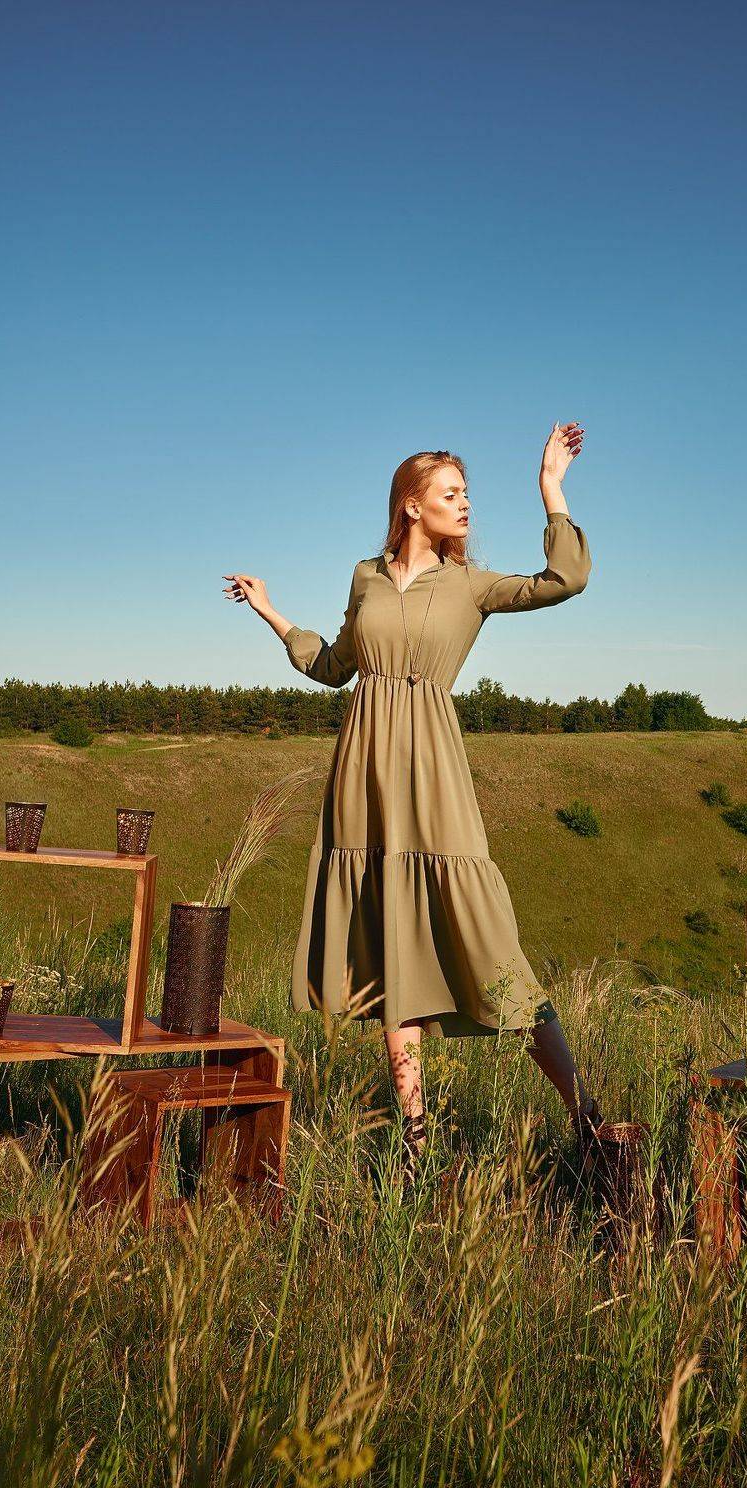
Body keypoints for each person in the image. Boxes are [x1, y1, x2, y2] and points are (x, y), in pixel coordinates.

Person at [224, 422, 604, 1185]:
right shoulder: (365, 577)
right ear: (410, 504)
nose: (465, 505)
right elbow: (334, 666)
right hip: (364, 776)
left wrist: (552, 488)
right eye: (451, 493)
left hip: (433, 772)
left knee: (490, 945)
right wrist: (273, 613)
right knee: (390, 946)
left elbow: (565, 580)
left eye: (467, 494)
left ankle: (587, 1117)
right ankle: (415, 1141)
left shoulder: (471, 584)